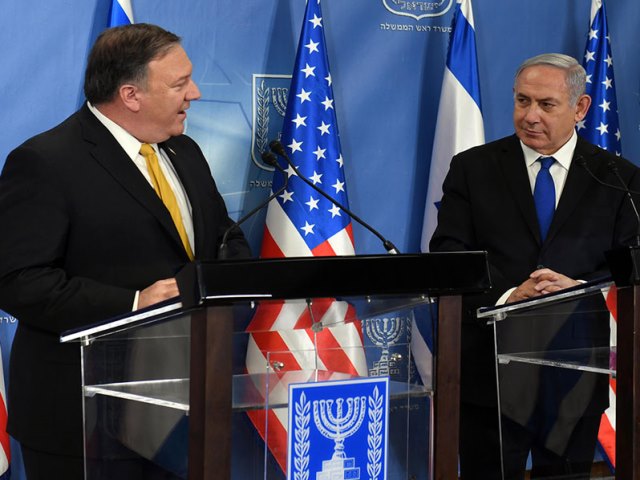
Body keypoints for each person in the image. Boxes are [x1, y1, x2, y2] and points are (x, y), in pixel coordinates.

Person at [0, 23, 251, 479]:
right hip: (81, 420)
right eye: (179, 84)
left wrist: (228, 277)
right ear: (130, 95)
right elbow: (19, 280)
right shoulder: (46, 162)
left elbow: (225, 236)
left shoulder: (185, 151)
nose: (193, 93)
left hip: (183, 407)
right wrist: (133, 304)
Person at [430, 53, 640, 479]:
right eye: (522, 101)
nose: (529, 116)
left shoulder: (618, 178)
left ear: (580, 109)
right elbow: (448, 257)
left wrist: (579, 287)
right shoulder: (473, 169)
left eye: (546, 105)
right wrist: (509, 296)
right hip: (489, 373)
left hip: (576, 371)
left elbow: (632, 266)